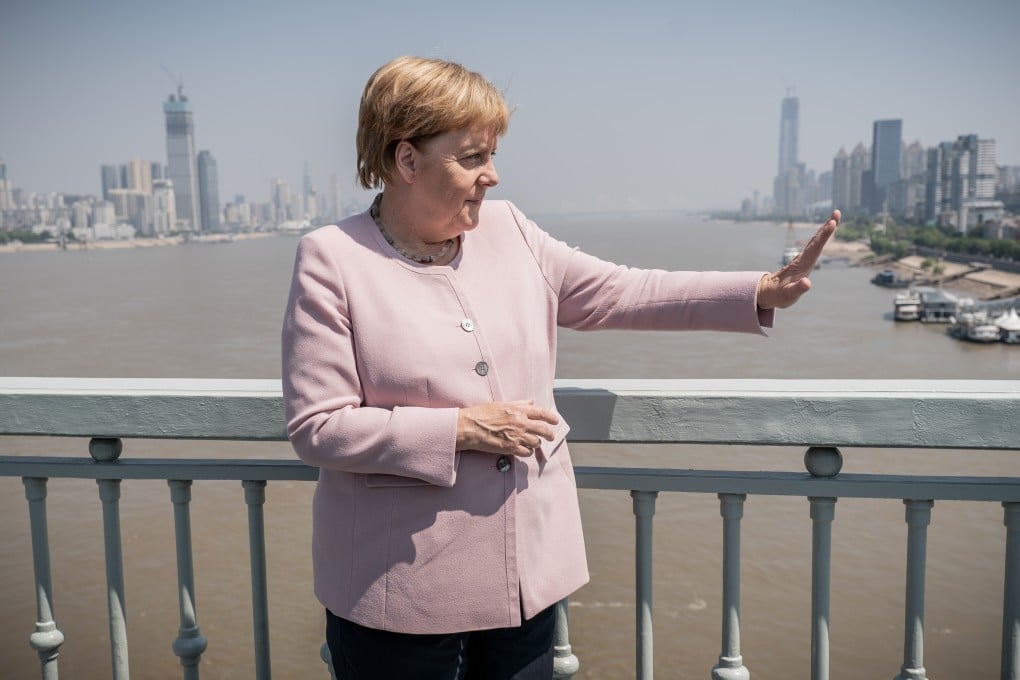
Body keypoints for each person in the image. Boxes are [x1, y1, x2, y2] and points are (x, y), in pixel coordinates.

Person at [281, 55, 840, 680]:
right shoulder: (332, 258)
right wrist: (460, 429)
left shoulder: (513, 231)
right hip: (398, 596)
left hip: (524, 581)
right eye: (472, 157)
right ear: (406, 160)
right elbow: (318, 426)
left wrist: (762, 289)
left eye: (493, 155)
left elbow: (626, 292)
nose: (492, 176)